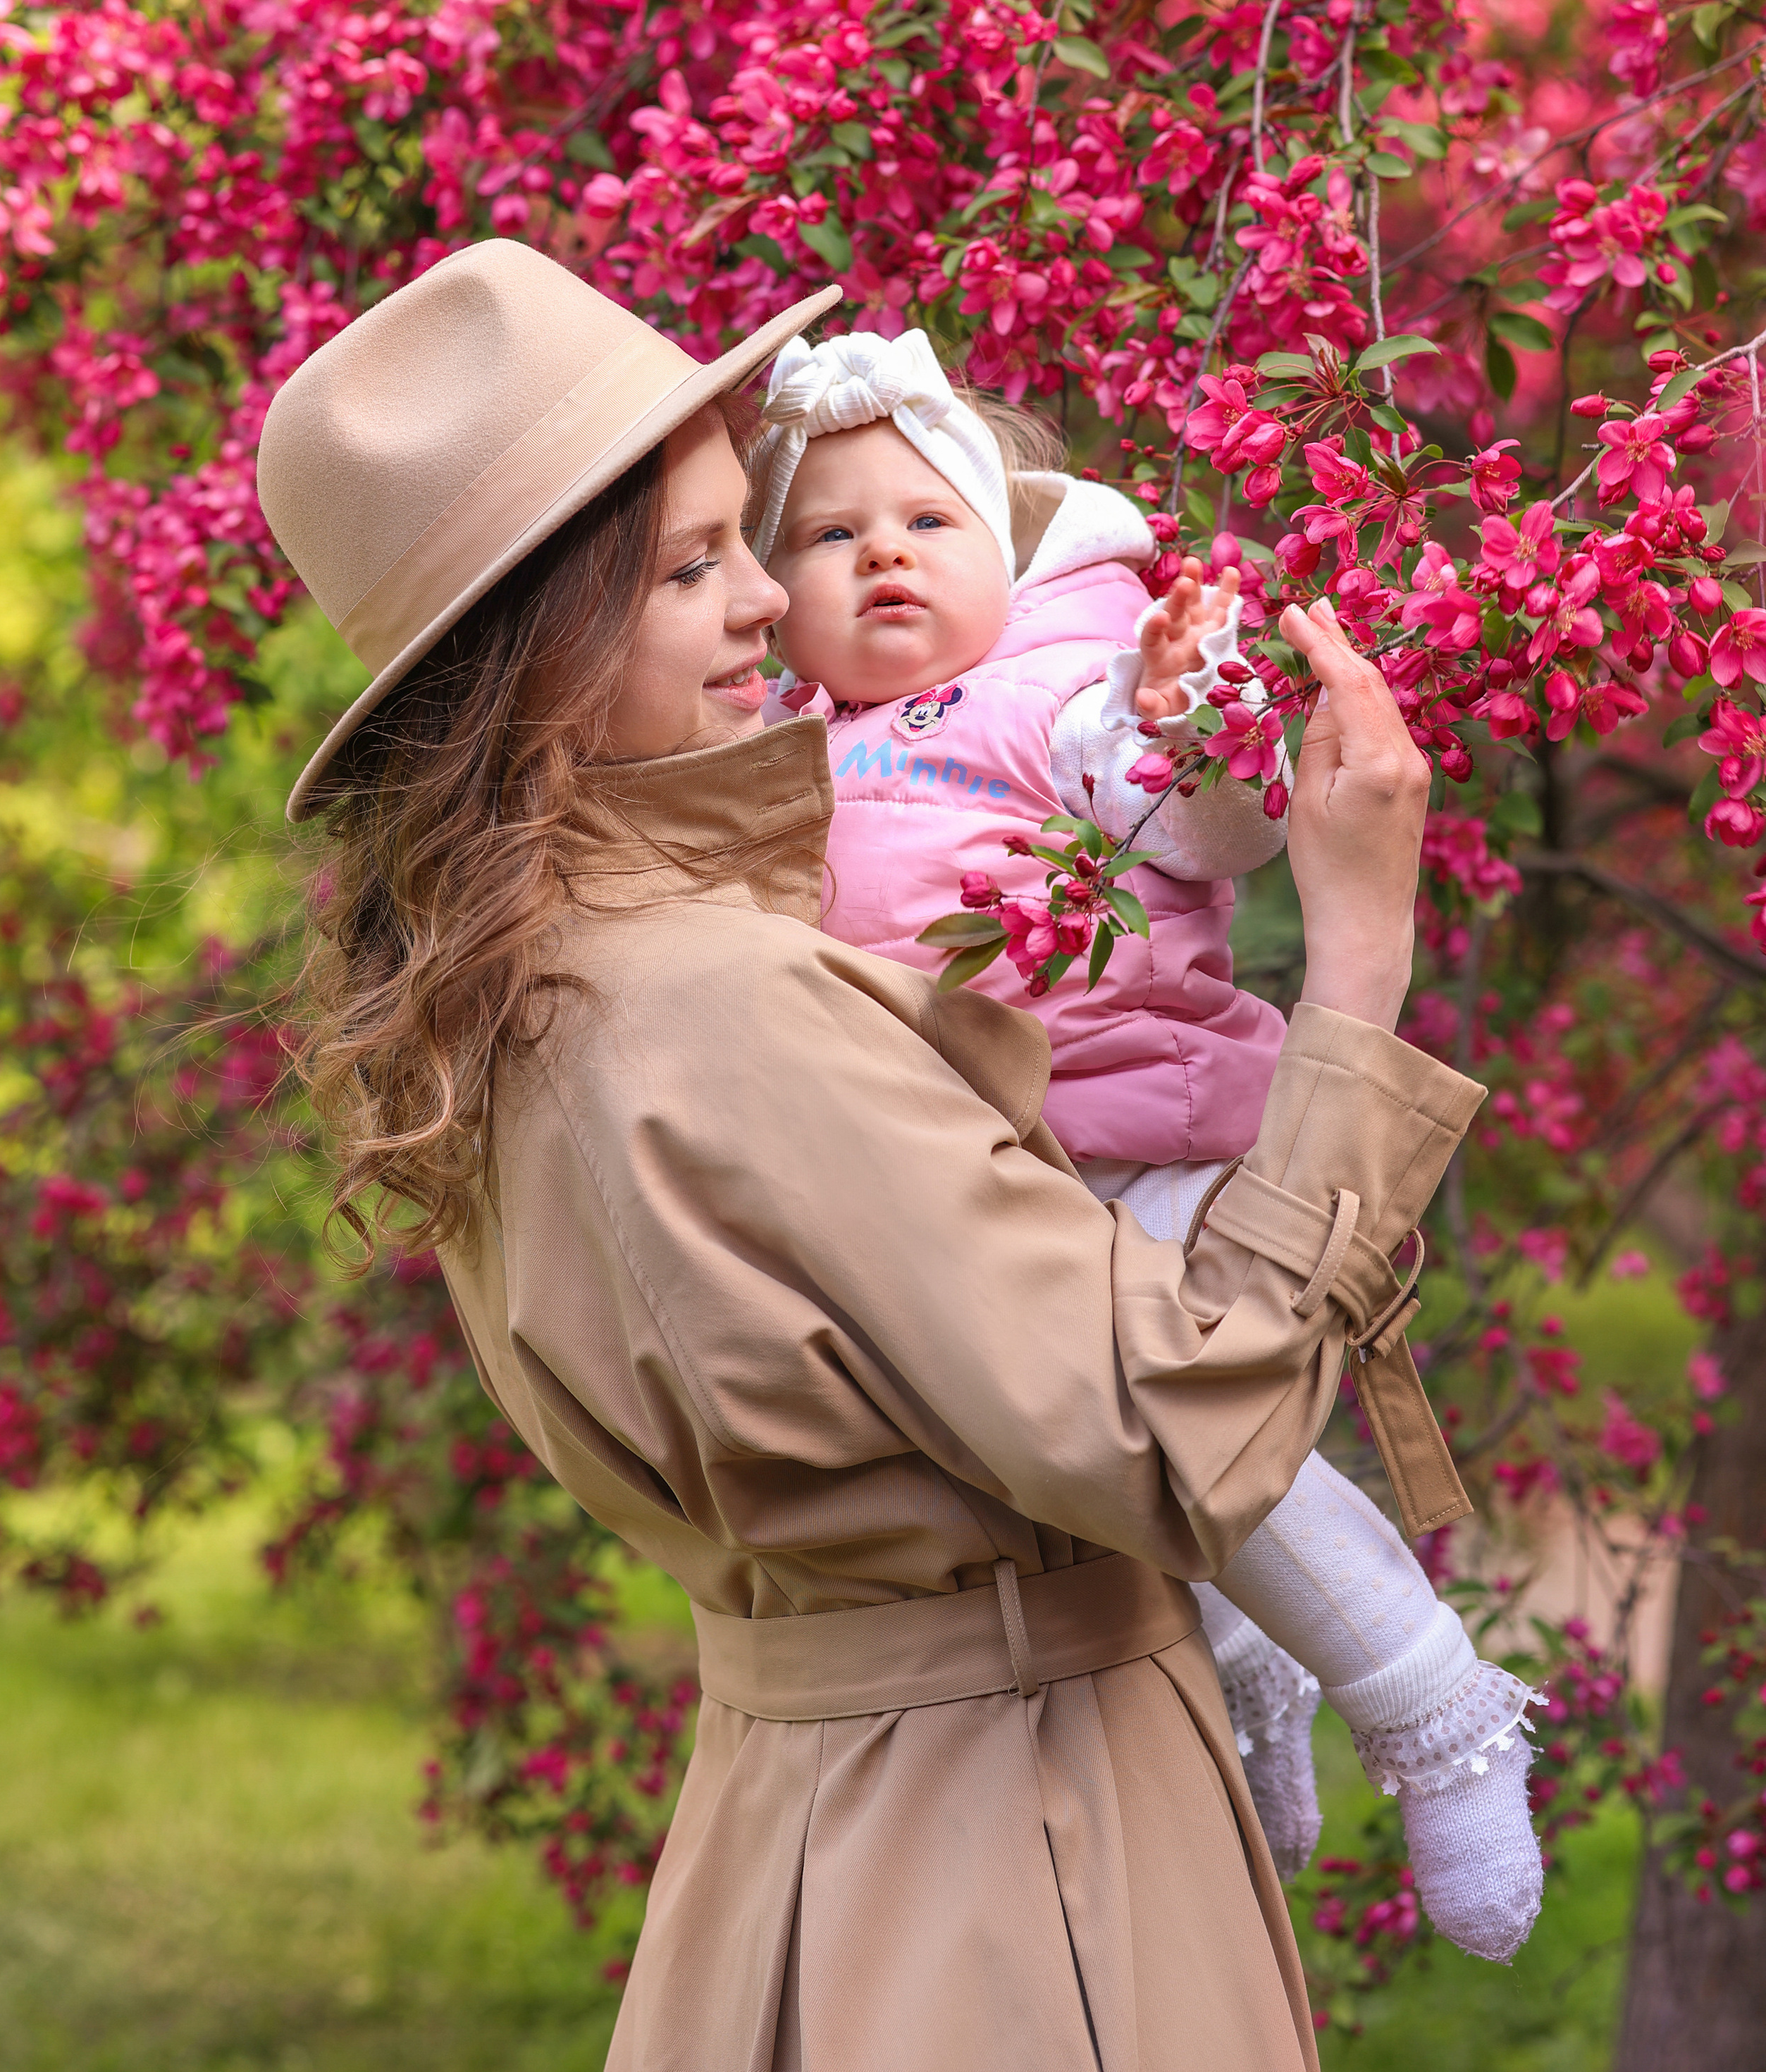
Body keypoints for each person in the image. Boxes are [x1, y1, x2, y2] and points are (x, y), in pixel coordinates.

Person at [259, 236, 1484, 2072]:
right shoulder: (731, 1003)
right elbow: (1182, 1428)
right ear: (540, 656)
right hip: (1017, 1866)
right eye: (689, 567)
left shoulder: (519, 983)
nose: (769, 598)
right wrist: (1361, 967)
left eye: (738, 534)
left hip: (802, 1833)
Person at [748, 328, 1543, 1956]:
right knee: (1092, 1440)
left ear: (1008, 550)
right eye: (828, 537)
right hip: (983, 1186)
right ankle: (1249, 1678)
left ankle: (1431, 1700)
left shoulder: (1059, 690)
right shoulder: (786, 752)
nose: (880, 552)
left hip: (1146, 1137)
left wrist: (1176, 719)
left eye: (923, 522)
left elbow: (1199, 829)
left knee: (1179, 1421)